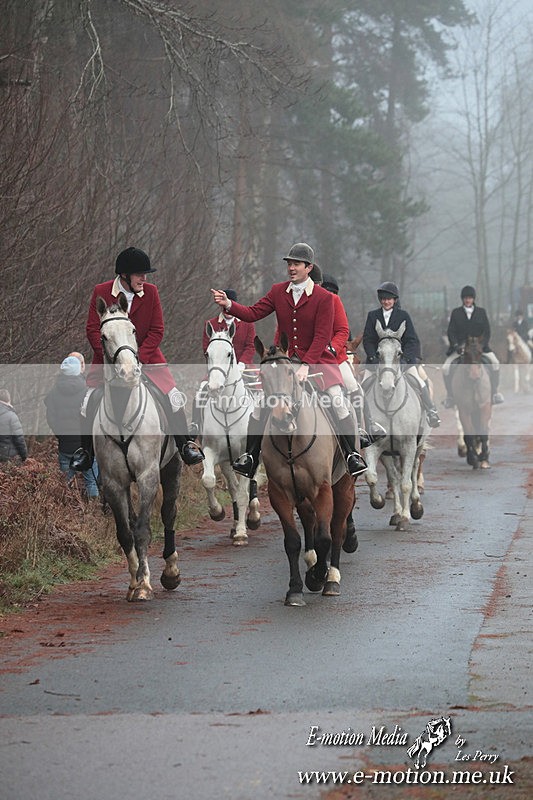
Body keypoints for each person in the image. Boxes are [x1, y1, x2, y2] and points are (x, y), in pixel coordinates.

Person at [211, 242, 367, 479]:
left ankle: (351, 454)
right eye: (289, 264)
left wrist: (306, 365)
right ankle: (250, 457)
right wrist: (229, 305)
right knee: (260, 406)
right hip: (285, 362)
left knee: (337, 401)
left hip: (319, 361)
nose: (291, 268)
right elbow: (253, 313)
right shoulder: (278, 291)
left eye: (296, 264)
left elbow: (322, 336)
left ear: (308, 267)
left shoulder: (325, 298)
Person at [70, 247, 204, 471]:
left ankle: (184, 445)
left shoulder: (151, 292)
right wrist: (113, 357)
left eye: (145, 274)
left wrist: (137, 357)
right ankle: (85, 452)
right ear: (124, 275)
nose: (144, 278)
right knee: (87, 401)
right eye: (139, 274)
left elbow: (157, 330)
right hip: (109, 361)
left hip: (147, 359)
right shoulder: (101, 291)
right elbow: (93, 329)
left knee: (172, 397)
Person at [317, 270, 386, 447]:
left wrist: (333, 348)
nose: (330, 295)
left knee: (354, 387)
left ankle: (364, 427)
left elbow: (345, 334)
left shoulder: (337, 307)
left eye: (333, 292)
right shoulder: (312, 306)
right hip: (313, 360)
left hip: (337, 358)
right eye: (326, 290)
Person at [362, 281, 441, 428]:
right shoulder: (372, 316)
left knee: (418, 381)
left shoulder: (403, 315)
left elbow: (411, 340)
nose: (386, 302)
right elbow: (368, 339)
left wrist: (405, 359)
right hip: (377, 361)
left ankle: (431, 411)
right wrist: (372, 356)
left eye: (389, 299)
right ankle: (361, 421)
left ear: (395, 300)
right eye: (383, 299)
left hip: (401, 360)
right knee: (362, 387)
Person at [45, 355, 99, 499]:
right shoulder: (88, 391)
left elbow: (50, 418)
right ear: (79, 370)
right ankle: (93, 509)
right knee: (91, 482)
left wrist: (60, 435)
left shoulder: (53, 393)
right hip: (86, 446)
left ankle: (66, 508)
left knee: (65, 484)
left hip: (65, 445)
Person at [442, 285, 504, 407]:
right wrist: (456, 345)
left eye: (470, 298)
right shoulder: (456, 313)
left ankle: (495, 393)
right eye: (465, 298)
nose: (467, 300)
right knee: (445, 368)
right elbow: (451, 332)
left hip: (479, 348)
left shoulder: (481, 312)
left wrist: (482, 345)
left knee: (495, 363)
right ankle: (450, 396)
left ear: (473, 299)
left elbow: (487, 331)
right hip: (460, 348)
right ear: (462, 299)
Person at [0, 388, 27, 463]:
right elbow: (19, 439)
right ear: (9, 400)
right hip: (7, 457)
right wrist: (24, 456)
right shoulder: (11, 416)